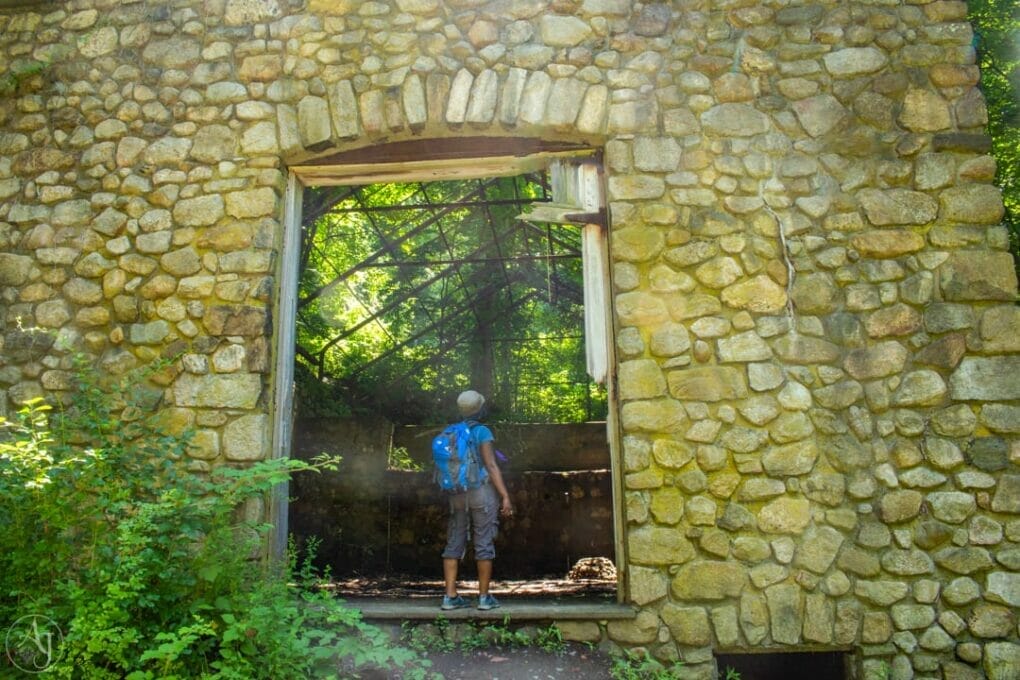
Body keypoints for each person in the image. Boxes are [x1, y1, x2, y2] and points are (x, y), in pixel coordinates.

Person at [440, 389, 513, 611]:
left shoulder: (450, 432)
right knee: (483, 541)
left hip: (457, 494)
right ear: (480, 408)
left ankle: (450, 597)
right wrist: (505, 496)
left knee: (454, 542)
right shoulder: (482, 431)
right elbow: (491, 465)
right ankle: (483, 598)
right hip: (481, 492)